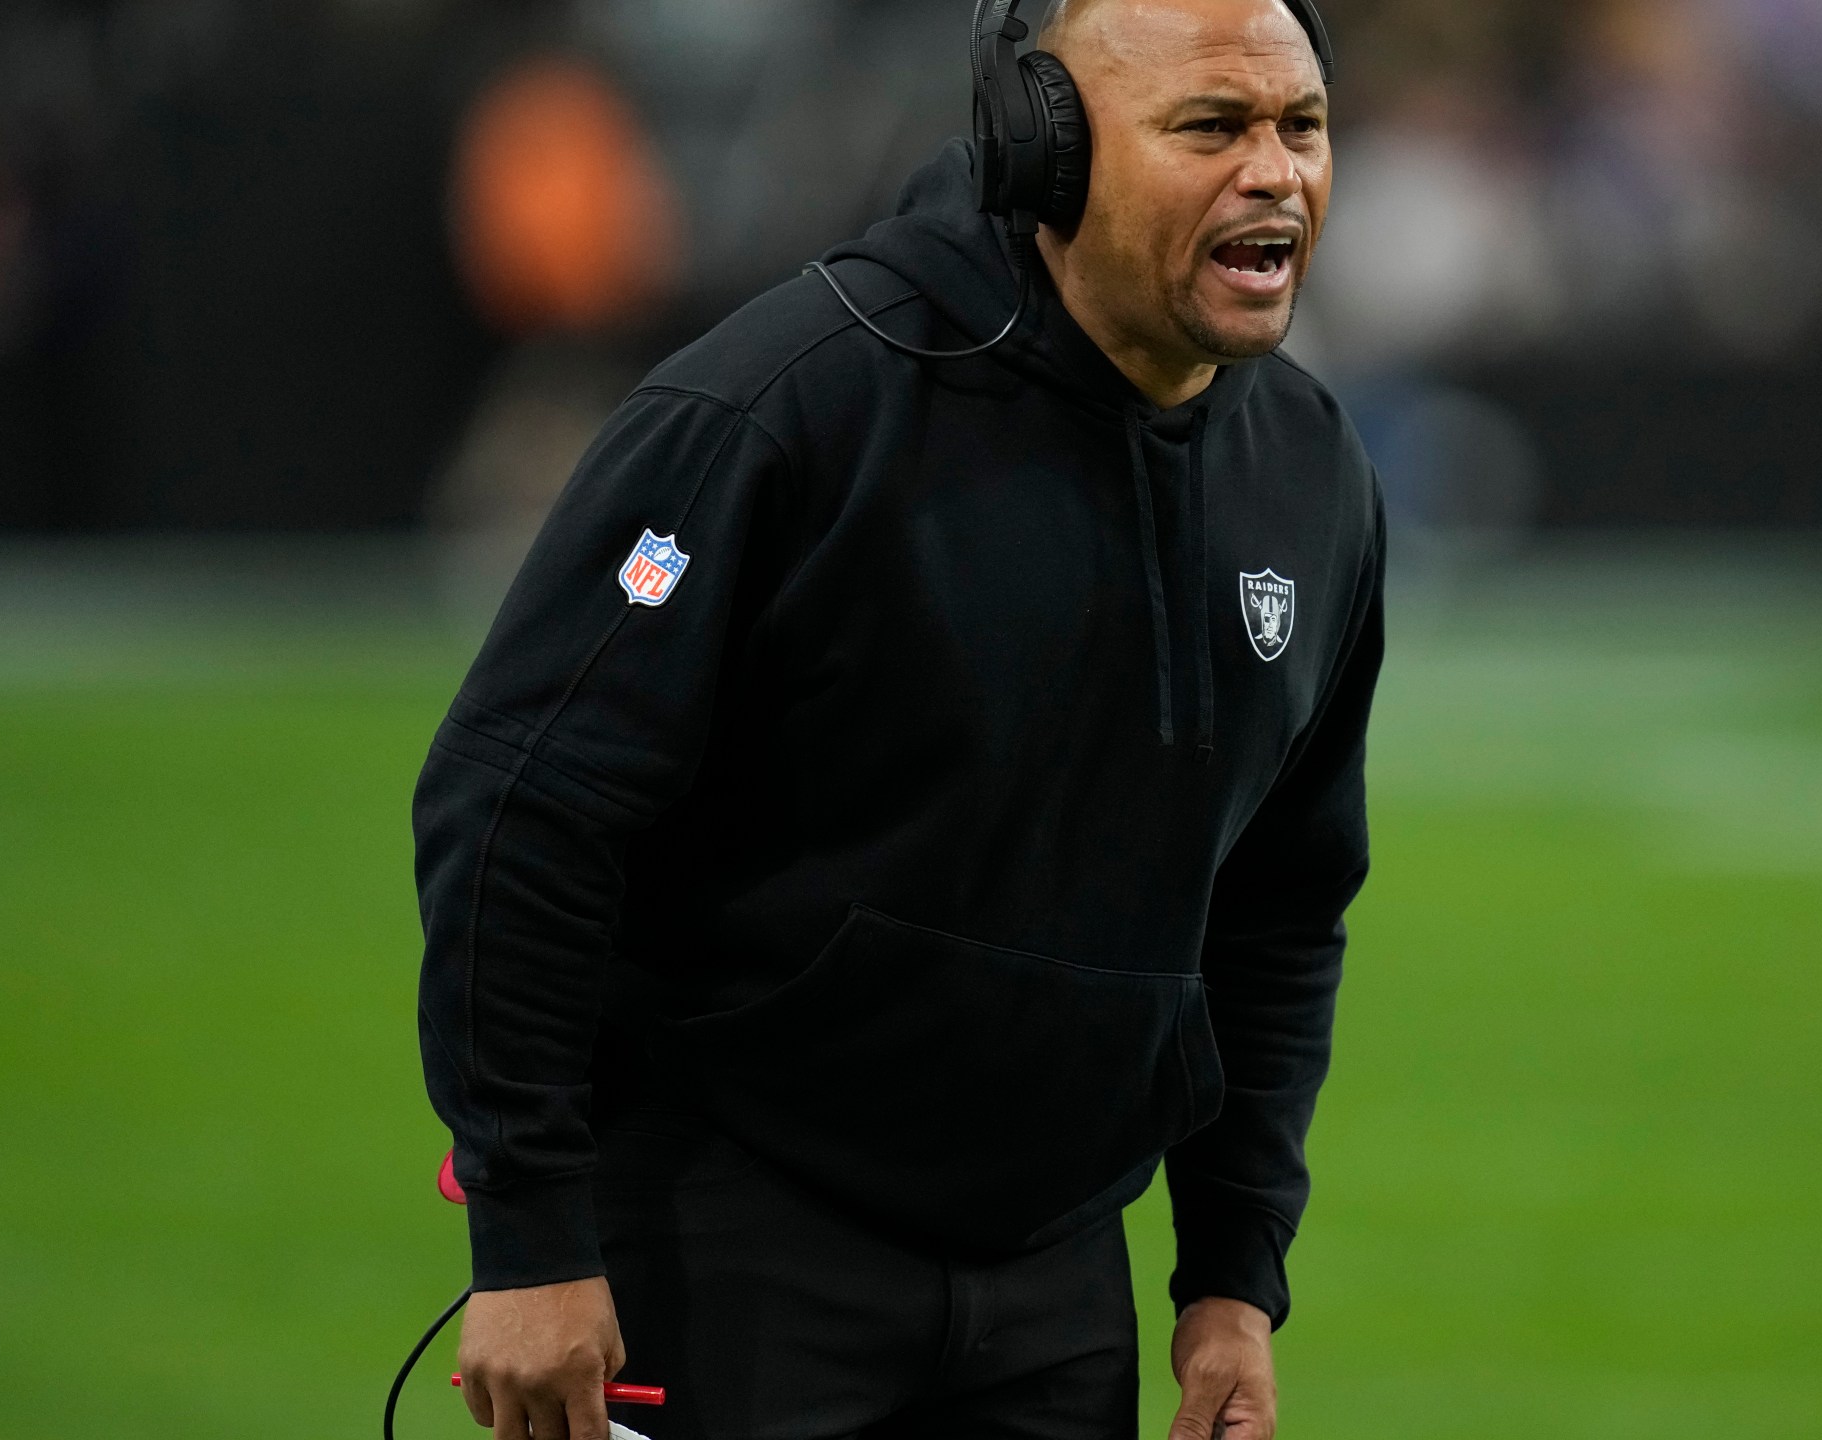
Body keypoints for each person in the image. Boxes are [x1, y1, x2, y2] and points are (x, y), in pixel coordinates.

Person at [412, 1, 1381, 1436]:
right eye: (1211, 127)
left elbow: (1281, 906)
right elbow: (522, 802)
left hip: (1055, 1279)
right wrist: (532, 1235)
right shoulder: (785, 409)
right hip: (736, 1234)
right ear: (1045, 148)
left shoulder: (1309, 471)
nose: (1277, 173)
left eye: (1300, 126)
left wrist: (1231, 1279)